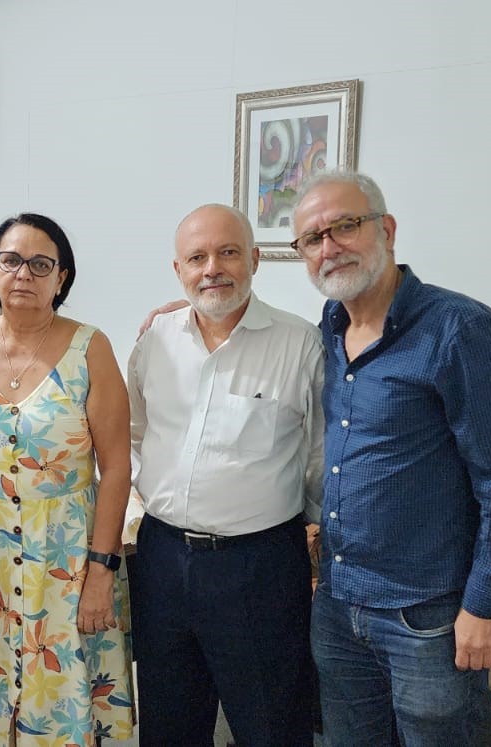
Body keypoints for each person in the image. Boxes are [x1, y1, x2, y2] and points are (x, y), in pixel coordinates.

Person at [293, 170, 491, 746]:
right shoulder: (326, 332)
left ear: (388, 229)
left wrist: (485, 604)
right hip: (337, 605)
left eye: (345, 226)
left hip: (426, 616)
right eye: (312, 238)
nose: (329, 248)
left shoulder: (459, 328)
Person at [0, 213, 137, 745]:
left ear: (61, 278)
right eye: (11, 260)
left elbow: (116, 468)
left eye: (40, 264)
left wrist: (101, 571)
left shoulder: (89, 349)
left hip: (69, 563)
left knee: (67, 707)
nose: (24, 274)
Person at [127, 204, 323, 746]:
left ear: (255, 260)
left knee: (270, 725)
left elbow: (320, 457)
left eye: (228, 252)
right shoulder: (154, 340)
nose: (212, 268)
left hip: (258, 567)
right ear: (179, 271)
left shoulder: (299, 343)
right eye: (197, 257)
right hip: (162, 560)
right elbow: (136, 432)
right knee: (168, 725)